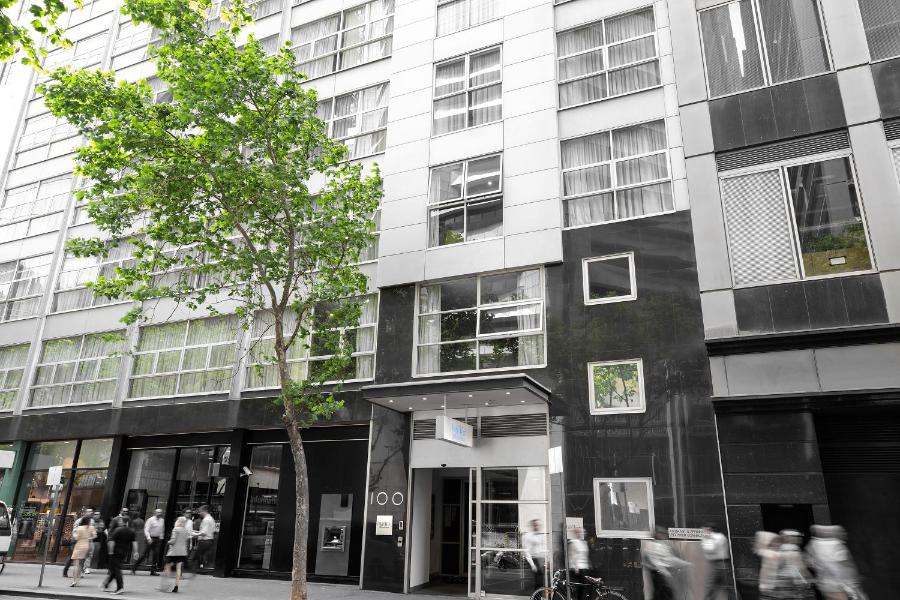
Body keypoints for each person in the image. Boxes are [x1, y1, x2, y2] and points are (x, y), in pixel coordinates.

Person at [806, 525, 867, 600]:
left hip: (825, 585)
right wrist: (850, 585)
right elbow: (839, 568)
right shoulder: (835, 544)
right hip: (838, 586)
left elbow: (810, 563)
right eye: (842, 532)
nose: (845, 534)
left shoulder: (812, 545)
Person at [641, 527, 690, 600]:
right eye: (662, 534)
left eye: (664, 534)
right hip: (658, 574)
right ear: (657, 534)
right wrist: (664, 571)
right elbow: (655, 561)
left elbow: (669, 559)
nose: (664, 536)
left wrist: (683, 563)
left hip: (661, 574)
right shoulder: (651, 545)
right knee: (665, 593)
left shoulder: (661, 545)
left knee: (661, 594)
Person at [771, 529, 814, 600]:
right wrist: (807, 579)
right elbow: (800, 567)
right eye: (796, 537)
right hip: (793, 580)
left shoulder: (780, 549)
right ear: (789, 538)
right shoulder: (793, 549)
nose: (799, 539)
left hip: (781, 580)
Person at [101, 516, 138, 595]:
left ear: (123, 521)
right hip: (124, 553)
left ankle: (120, 588)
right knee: (114, 569)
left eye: (120, 520)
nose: (119, 521)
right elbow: (134, 542)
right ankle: (105, 585)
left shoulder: (117, 530)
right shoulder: (131, 531)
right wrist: (136, 552)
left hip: (115, 552)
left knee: (116, 569)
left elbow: (112, 542)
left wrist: (110, 552)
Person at [63, 508, 95, 578]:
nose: (90, 513)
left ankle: (78, 573)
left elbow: (92, 532)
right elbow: (75, 531)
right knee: (72, 557)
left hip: (86, 542)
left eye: (91, 512)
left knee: (82, 558)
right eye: (89, 511)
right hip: (77, 541)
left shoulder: (92, 521)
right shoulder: (79, 521)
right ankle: (65, 571)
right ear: (85, 513)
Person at [702, 524, 731, 600]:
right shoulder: (720, 537)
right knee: (725, 587)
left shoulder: (717, 537)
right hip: (721, 564)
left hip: (717, 564)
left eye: (705, 529)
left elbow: (710, 549)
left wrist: (706, 538)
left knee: (710, 588)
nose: (703, 531)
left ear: (710, 529)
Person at [164, 516, 191, 593]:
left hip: (174, 552)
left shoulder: (175, 529)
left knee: (167, 566)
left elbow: (173, 541)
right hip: (182, 552)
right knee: (178, 568)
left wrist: (167, 542)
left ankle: (168, 582)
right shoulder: (185, 530)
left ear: (179, 521)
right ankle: (176, 586)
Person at [133, 508, 165, 575]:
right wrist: (148, 538)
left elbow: (162, 529)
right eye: (158, 512)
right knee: (144, 555)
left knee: (156, 555)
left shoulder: (162, 520)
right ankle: (134, 567)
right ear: (155, 513)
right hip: (150, 538)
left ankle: (153, 571)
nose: (159, 513)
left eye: (160, 512)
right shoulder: (150, 520)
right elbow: (146, 530)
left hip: (157, 539)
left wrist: (161, 538)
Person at [68, 514, 95, 587]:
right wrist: (88, 538)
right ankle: (78, 578)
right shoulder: (91, 527)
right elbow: (94, 536)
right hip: (87, 545)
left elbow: (76, 537)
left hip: (79, 545)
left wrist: (75, 534)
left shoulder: (79, 528)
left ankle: (74, 581)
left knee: (76, 564)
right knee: (81, 563)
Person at [522, 519, 548, 591]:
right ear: (533, 525)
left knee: (540, 580)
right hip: (535, 559)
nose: (537, 526)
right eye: (536, 525)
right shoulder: (528, 536)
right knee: (538, 581)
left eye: (539, 525)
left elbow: (543, 548)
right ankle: (536, 595)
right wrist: (532, 565)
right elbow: (527, 551)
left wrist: (545, 560)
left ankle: (537, 595)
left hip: (541, 559)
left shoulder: (541, 535)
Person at [755, 531, 781, 600]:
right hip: (769, 584)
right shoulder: (770, 553)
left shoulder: (770, 553)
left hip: (769, 584)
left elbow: (758, 550)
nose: (778, 544)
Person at [567, 526, 591, 600]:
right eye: (580, 532)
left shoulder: (584, 542)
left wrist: (589, 565)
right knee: (580, 586)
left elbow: (586, 555)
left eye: (583, 532)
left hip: (585, 567)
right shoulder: (573, 542)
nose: (582, 533)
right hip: (578, 568)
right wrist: (576, 567)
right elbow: (571, 555)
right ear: (576, 533)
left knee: (585, 586)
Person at [191, 505, 216, 570]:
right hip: (209, 540)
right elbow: (212, 530)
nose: (199, 513)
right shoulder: (211, 519)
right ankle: (201, 569)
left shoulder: (206, 520)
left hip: (204, 541)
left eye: (200, 511)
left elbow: (204, 533)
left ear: (205, 511)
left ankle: (195, 569)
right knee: (203, 556)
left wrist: (194, 534)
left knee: (197, 556)